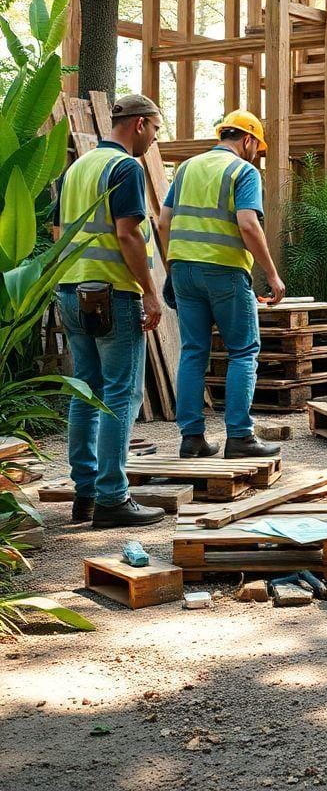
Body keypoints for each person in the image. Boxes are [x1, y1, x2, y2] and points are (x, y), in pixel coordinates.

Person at [56, 94, 165, 527]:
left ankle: (85, 494)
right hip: (113, 294)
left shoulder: (77, 168)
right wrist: (149, 293)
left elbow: (56, 228)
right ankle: (113, 499)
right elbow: (128, 235)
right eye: (156, 129)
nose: (155, 140)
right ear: (139, 124)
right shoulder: (126, 168)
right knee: (121, 393)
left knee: (86, 391)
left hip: (71, 291)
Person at [158, 110, 286, 460]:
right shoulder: (243, 171)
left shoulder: (186, 168)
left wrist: (174, 264)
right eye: (257, 146)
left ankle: (192, 438)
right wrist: (272, 274)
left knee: (193, 351)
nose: (256, 153)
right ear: (246, 140)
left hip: (183, 269)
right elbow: (248, 225)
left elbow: (163, 221)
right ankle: (240, 438)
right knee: (243, 351)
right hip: (225, 271)